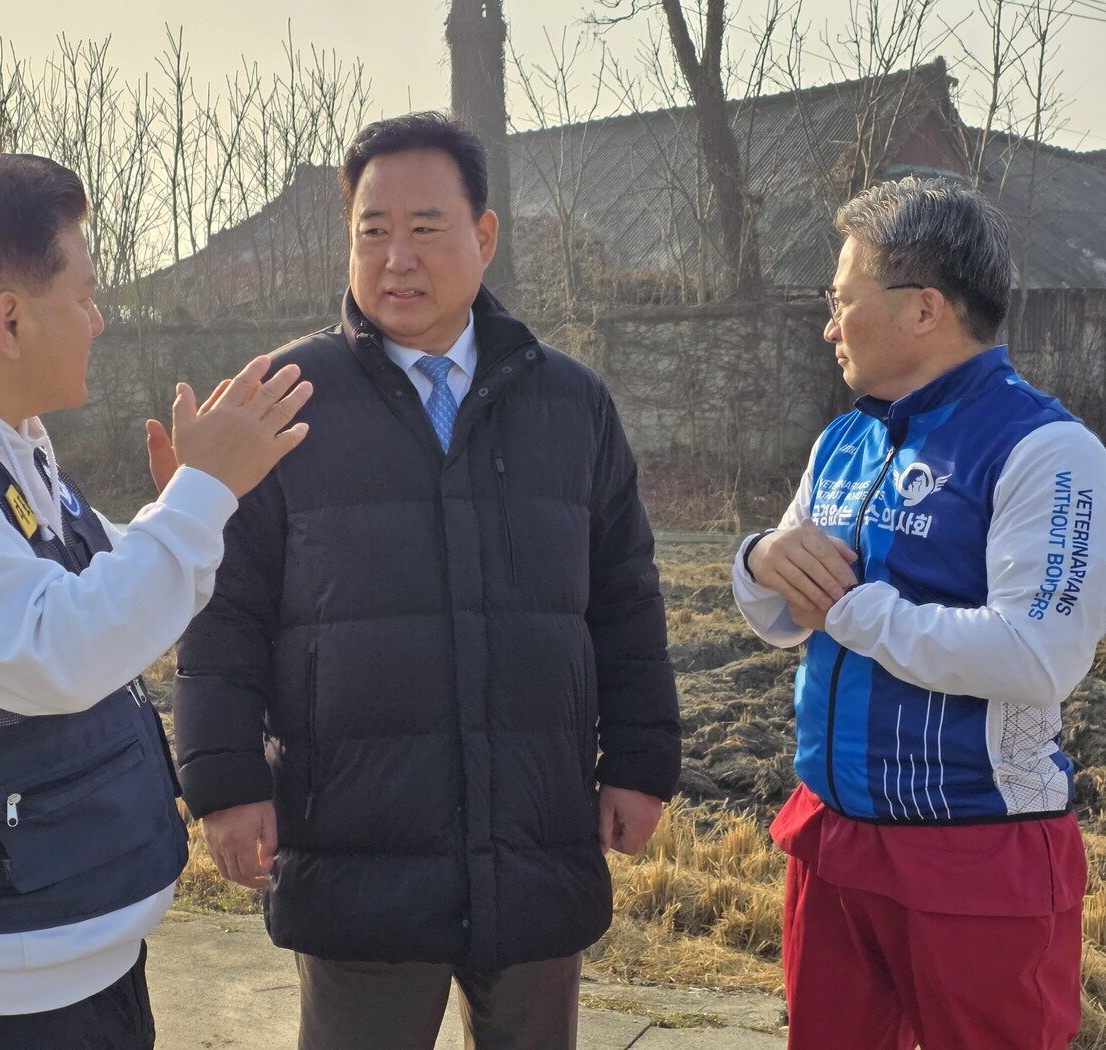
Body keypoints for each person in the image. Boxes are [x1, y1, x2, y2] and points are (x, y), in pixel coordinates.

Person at [173, 112, 682, 1049]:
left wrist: (640, 765)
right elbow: (223, 611)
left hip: (534, 829)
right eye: (373, 231)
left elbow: (624, 598)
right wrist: (225, 782)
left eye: (424, 227)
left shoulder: (569, 401)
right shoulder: (284, 401)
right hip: (354, 838)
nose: (396, 258)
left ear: (484, 236)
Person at [0, 153, 311, 1048]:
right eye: (86, 295)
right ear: (10, 319)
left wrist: (183, 508)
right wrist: (202, 496)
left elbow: (112, 590)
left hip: (69, 963)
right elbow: (58, 650)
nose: (99, 320)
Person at [732, 177, 1106, 1049]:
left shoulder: (1049, 450)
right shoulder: (843, 439)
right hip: (831, 838)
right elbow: (780, 616)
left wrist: (852, 607)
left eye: (840, 301)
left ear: (924, 309)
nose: (828, 327)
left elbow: (1038, 657)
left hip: (976, 848)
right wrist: (757, 559)